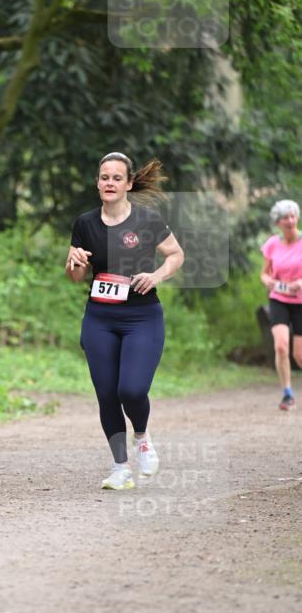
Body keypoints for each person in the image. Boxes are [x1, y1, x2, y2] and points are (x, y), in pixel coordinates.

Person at [66, 152, 184, 491]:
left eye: (117, 178)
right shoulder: (85, 223)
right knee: (106, 394)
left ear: (129, 184)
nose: (109, 183)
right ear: (97, 182)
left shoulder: (146, 220)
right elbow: (75, 276)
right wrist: (74, 263)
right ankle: (120, 467)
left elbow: (176, 255)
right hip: (100, 317)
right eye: (105, 177)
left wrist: (157, 275)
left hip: (142, 316)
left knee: (131, 390)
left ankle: (143, 438)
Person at [260, 199, 302, 411]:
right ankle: (287, 394)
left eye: (293, 215)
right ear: (278, 222)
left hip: (301, 302)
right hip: (279, 299)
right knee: (281, 346)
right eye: (285, 217)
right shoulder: (272, 244)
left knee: (299, 355)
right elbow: (264, 273)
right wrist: (267, 281)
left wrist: (300, 283)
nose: (290, 220)